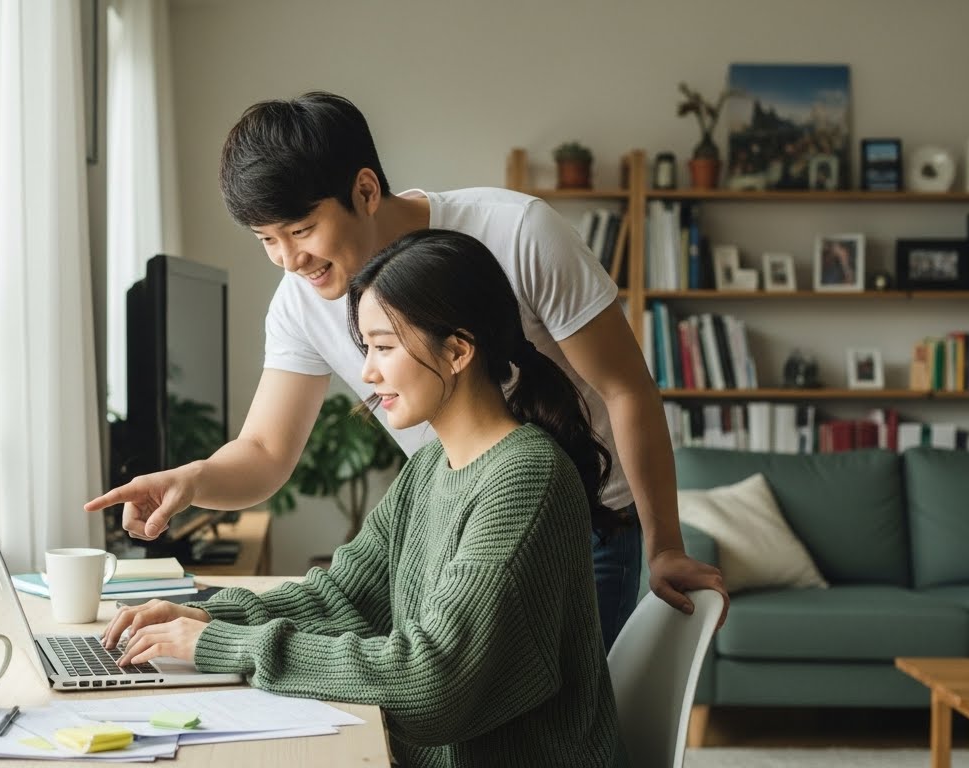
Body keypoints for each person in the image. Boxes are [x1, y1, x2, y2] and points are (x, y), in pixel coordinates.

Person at [85, 91, 727, 646]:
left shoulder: (518, 232)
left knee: (557, 715)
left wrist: (664, 543)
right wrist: (192, 479)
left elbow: (624, 388)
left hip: (586, 523)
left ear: (365, 190)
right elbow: (265, 450)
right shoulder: (301, 303)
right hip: (460, 525)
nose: (288, 260)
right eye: (266, 241)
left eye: (301, 230)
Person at [101, 230, 627, 768]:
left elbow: (434, 682)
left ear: (457, 350)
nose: (368, 373)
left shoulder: (525, 478)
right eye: (366, 348)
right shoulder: (431, 465)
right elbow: (344, 598)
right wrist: (207, 616)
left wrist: (224, 645)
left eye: (384, 347)